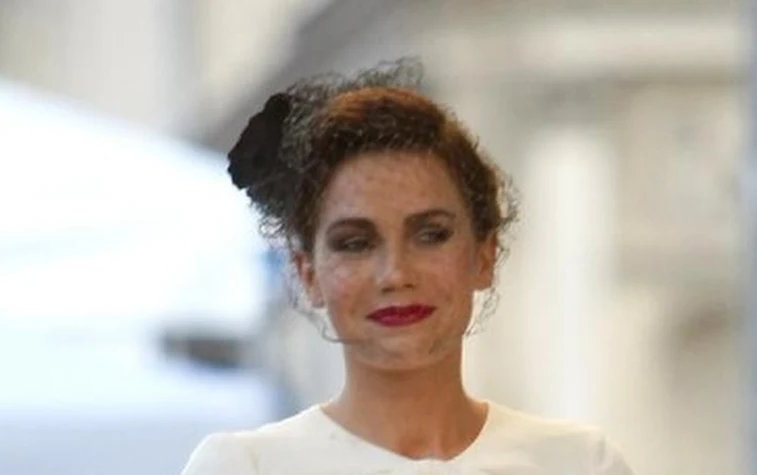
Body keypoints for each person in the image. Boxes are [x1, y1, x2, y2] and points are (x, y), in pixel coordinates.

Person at [181, 59, 634, 475]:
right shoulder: (246, 466)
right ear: (308, 273)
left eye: (431, 234)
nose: (395, 274)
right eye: (355, 243)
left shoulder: (581, 464)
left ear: (484, 254)